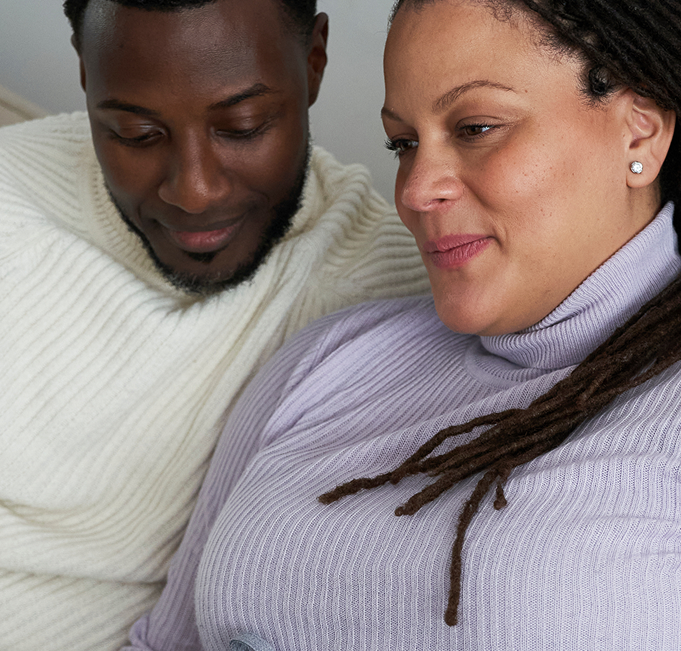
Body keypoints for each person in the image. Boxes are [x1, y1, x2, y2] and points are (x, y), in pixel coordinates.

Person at [0, 1, 431, 649]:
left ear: (314, 61)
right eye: (135, 134)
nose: (193, 191)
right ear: (84, 69)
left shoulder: (404, 292)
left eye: (242, 126)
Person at [123, 0, 681, 649]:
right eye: (404, 143)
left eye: (475, 127)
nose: (416, 189)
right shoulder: (331, 358)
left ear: (640, 132)